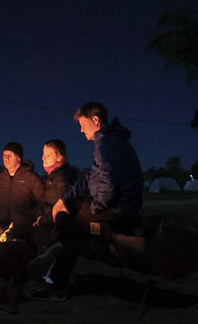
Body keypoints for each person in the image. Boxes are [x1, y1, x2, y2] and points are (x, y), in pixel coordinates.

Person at [28, 102, 144, 300]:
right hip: (117, 205)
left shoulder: (106, 142)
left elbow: (109, 181)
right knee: (68, 213)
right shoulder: (107, 142)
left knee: (71, 222)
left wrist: (97, 207)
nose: (81, 130)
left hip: (120, 208)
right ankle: (54, 273)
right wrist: (63, 200)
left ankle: (53, 270)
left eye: (83, 124)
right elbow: (89, 176)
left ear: (96, 120)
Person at [0, 142, 45, 239]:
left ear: (19, 158)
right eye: (4, 156)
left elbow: (42, 200)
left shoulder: (31, 178)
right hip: (1, 228)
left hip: (24, 229)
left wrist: (35, 217)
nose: (6, 158)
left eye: (10, 155)